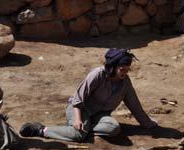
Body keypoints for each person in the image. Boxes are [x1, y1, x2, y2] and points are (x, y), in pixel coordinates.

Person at [19, 48, 158, 142]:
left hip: (99, 115)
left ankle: (82, 128)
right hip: (80, 109)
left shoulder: (125, 82)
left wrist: (147, 124)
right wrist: (78, 119)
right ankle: (41, 130)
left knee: (114, 128)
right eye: (122, 69)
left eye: (127, 70)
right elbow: (78, 99)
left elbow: (134, 105)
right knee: (79, 134)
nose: (125, 73)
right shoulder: (97, 74)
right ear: (113, 66)